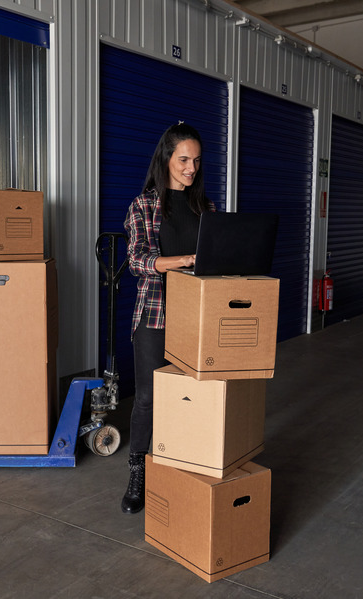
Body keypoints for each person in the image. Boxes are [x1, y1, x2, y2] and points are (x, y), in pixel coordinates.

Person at [120, 122, 215, 514]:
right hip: (157, 313)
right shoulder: (144, 205)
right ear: (166, 159)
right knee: (147, 398)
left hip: (197, 312)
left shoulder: (206, 208)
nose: (191, 168)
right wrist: (183, 261)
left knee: (193, 393)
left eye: (195, 161)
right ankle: (138, 469)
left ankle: (183, 462)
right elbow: (137, 260)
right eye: (183, 160)